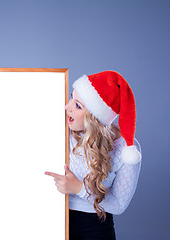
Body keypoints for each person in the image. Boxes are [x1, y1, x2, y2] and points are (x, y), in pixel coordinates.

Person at [45, 71, 142, 240]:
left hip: (94, 228)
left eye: (77, 106)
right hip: (50, 221)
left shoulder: (125, 150)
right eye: (71, 98)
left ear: (94, 118)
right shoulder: (61, 130)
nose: (67, 107)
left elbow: (119, 205)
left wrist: (79, 189)